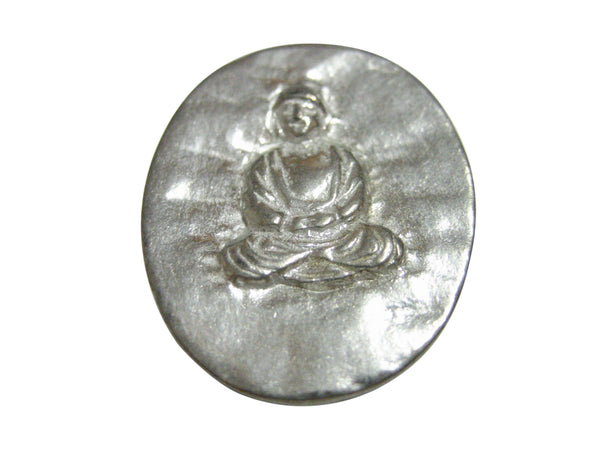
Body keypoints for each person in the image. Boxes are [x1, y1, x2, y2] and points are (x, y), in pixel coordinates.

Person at [221, 84, 402, 287]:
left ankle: (312, 260)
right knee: (239, 257)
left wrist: (335, 216)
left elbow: (354, 196)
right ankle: (312, 260)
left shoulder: (342, 158)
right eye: (288, 112)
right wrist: (286, 222)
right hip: (285, 240)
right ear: (277, 123)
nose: (296, 117)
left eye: (306, 111)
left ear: (321, 120)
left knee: (383, 246)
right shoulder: (266, 163)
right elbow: (258, 204)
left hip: (337, 235)